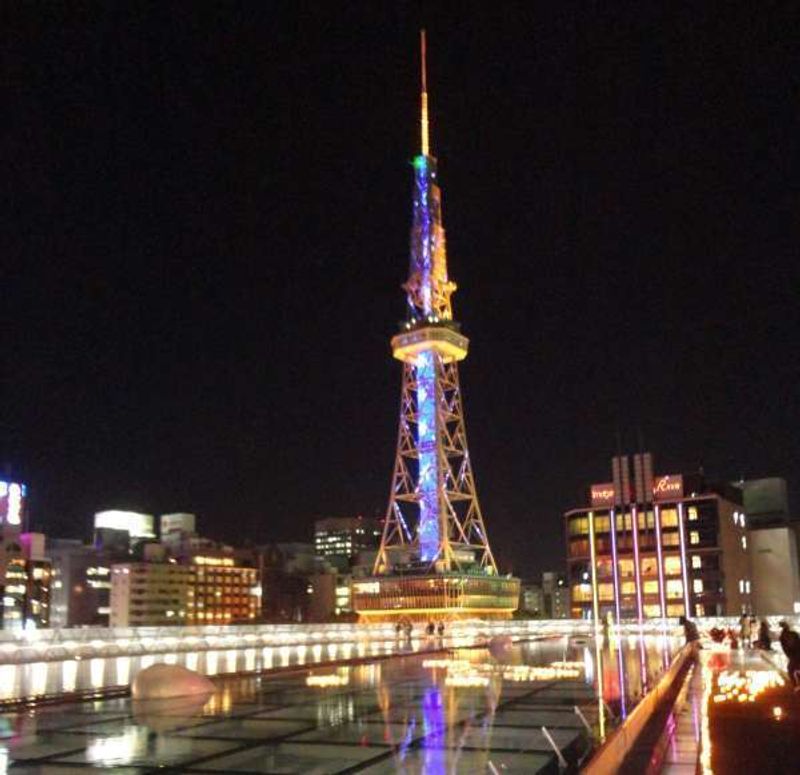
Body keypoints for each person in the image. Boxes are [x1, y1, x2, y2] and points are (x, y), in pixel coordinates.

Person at [778, 620, 800, 688]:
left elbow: (786, 648)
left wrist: (790, 655)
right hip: (796, 654)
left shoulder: (783, 636)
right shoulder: (794, 634)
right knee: (794, 668)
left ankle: (796, 686)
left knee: (791, 669)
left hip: (794, 655)